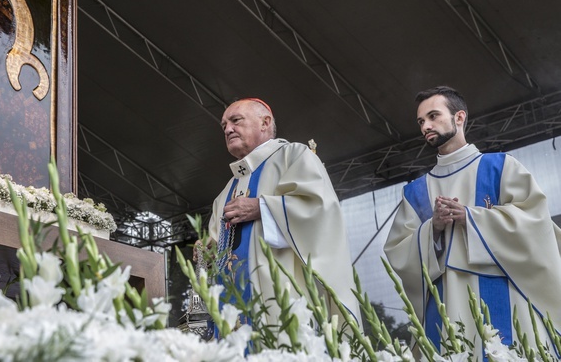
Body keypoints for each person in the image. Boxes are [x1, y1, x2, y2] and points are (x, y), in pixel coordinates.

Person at [384, 86, 561, 357]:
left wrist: (471, 217)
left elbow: (535, 224)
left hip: (505, 296)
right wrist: (433, 229)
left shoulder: (501, 167)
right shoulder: (415, 192)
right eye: (421, 121)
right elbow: (397, 251)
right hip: (446, 304)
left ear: (459, 117)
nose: (425, 126)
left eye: (433, 116)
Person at [200, 97, 361, 335]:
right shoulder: (226, 190)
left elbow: (320, 211)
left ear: (265, 123)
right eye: (224, 125)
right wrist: (208, 253)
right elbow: (218, 245)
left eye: (235, 120)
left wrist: (261, 208)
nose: (228, 129)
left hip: (281, 302)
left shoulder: (293, 156)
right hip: (231, 310)